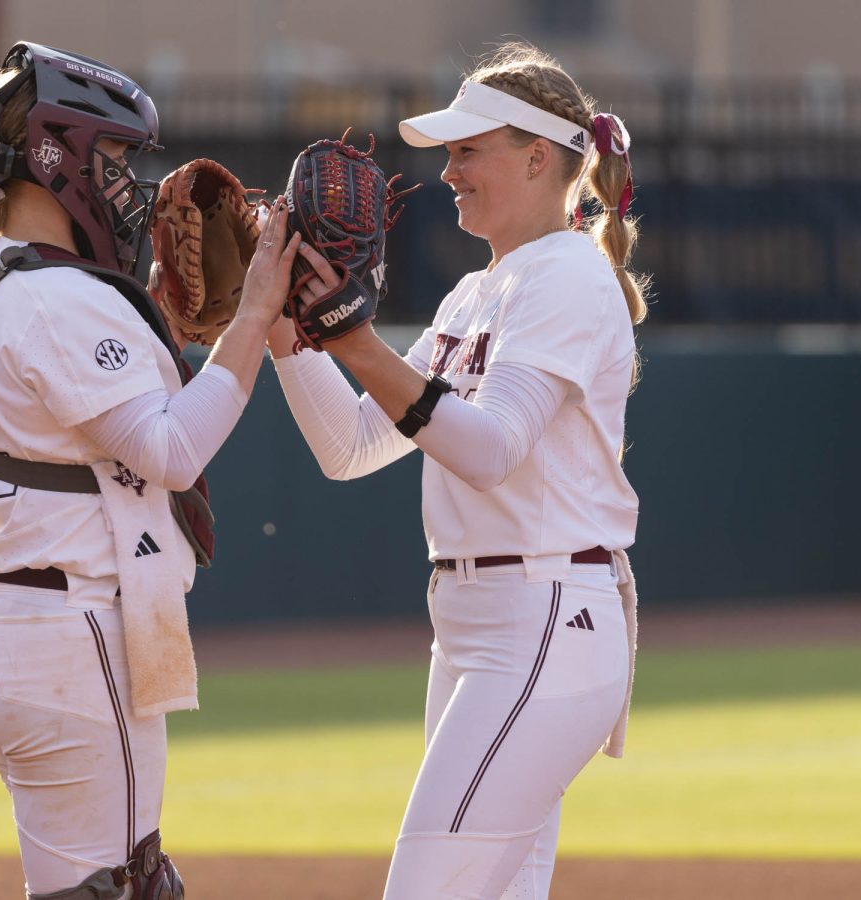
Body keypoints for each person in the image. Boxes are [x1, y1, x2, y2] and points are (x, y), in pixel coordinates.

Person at [267, 43, 647, 900]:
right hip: (478, 625)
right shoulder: (475, 293)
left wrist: (356, 338)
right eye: (450, 153)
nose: (448, 172)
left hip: (544, 617)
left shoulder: (569, 277)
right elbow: (353, 447)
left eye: (468, 150)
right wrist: (289, 332)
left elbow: (489, 449)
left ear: (538, 158)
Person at [0, 42, 299, 899]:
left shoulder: (20, 281)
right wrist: (254, 316)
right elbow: (169, 451)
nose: (129, 186)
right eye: (118, 160)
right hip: (73, 636)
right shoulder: (58, 294)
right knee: (124, 889)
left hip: (28, 631)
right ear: (58, 158)